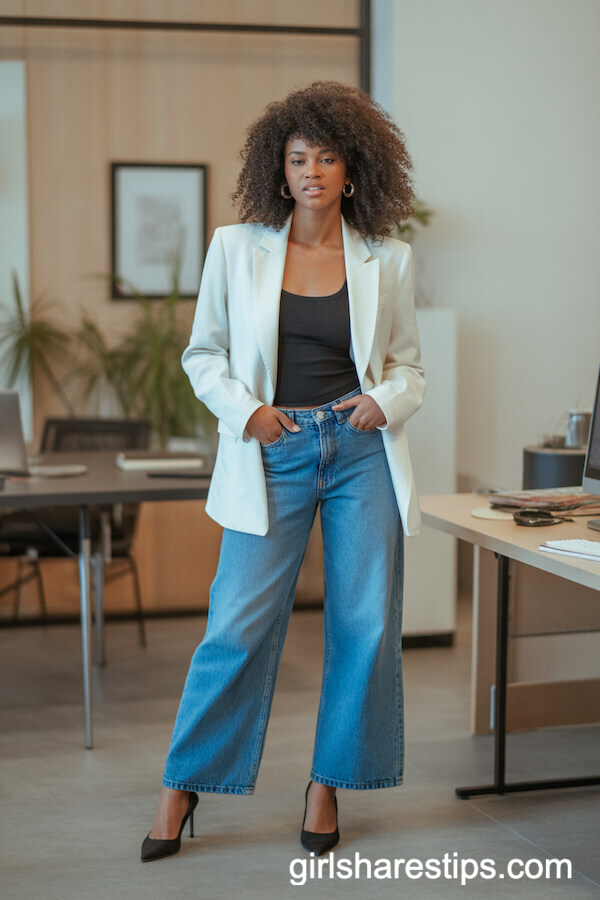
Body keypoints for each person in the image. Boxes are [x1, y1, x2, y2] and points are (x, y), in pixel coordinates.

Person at [141, 80, 425, 863]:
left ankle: (327, 784)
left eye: (327, 157)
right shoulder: (238, 248)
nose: (312, 171)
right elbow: (202, 355)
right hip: (274, 449)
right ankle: (183, 785)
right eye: (298, 158)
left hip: (360, 451)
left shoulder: (388, 260)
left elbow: (409, 368)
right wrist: (249, 413)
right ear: (279, 168)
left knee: (363, 625)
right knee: (236, 623)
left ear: (352, 170)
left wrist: (385, 399)